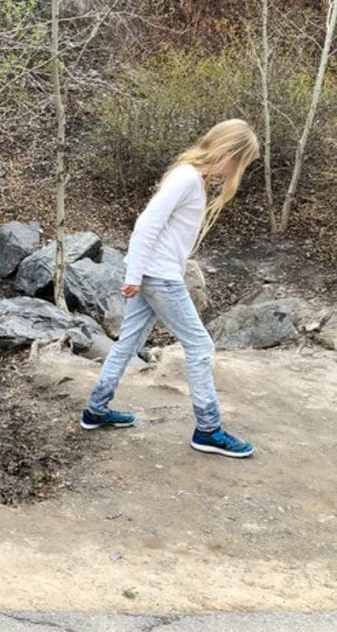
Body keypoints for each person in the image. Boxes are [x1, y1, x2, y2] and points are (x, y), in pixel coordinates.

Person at [81, 118, 261, 458]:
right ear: (228, 153)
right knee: (201, 346)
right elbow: (146, 225)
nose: (237, 171)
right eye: (240, 163)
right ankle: (208, 429)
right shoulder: (187, 178)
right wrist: (133, 274)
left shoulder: (191, 177)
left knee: (128, 343)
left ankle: (96, 410)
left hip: (155, 272)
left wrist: (138, 273)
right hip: (158, 276)